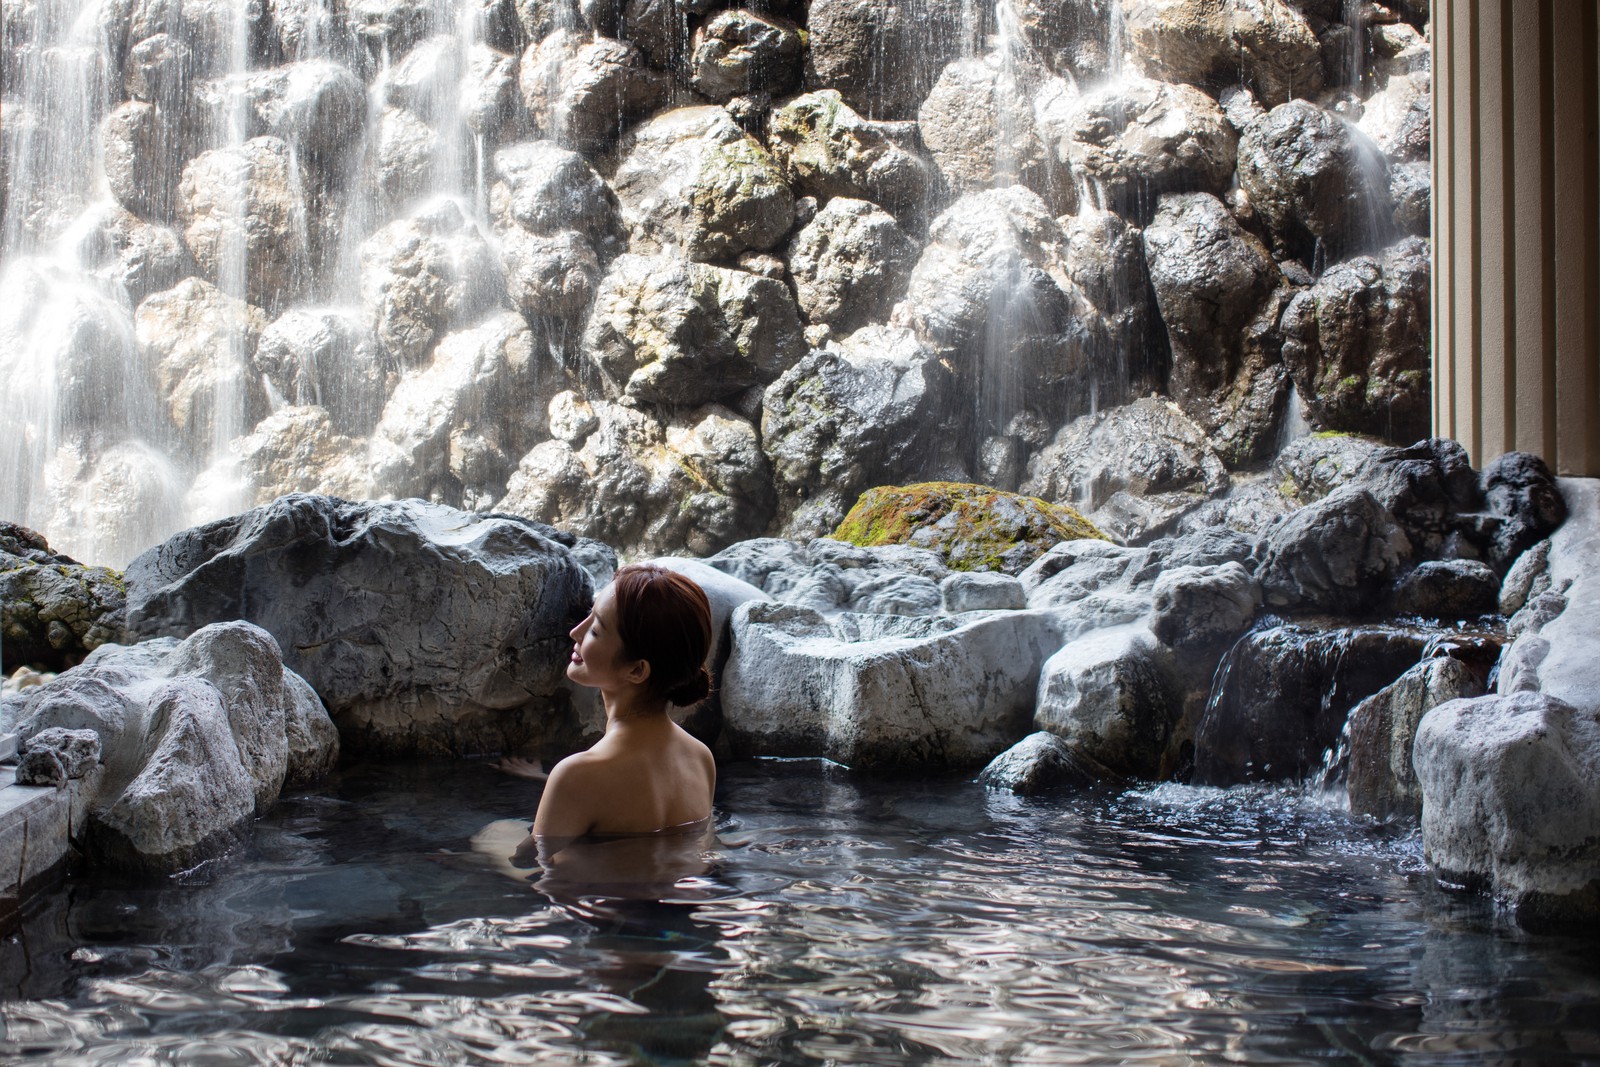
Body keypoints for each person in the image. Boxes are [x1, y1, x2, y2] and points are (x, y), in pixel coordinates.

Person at [500, 564, 718, 875]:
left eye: (596, 629)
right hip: (677, 910)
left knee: (493, 834)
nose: (575, 631)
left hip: (600, 917)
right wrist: (545, 780)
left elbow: (533, 868)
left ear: (636, 670)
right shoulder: (700, 757)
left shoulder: (577, 776)